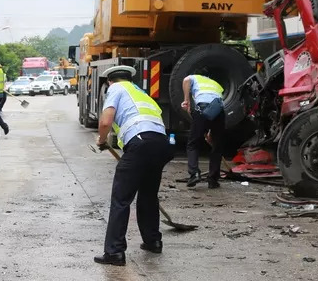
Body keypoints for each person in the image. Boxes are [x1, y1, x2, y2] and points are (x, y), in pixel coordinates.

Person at [94, 65, 173, 266]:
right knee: (148, 194)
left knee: (121, 198)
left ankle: (114, 252)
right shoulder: (142, 94)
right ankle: (153, 241)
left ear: (110, 81)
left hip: (140, 142)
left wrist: (102, 140)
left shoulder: (116, 89)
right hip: (161, 144)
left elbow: (106, 121)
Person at [181, 73, 226, 189]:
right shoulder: (216, 85)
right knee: (217, 146)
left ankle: (194, 173)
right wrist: (210, 132)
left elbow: (186, 80)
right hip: (219, 110)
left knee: (193, 143)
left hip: (202, 108)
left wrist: (187, 101)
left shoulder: (194, 77)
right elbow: (214, 109)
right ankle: (213, 180)